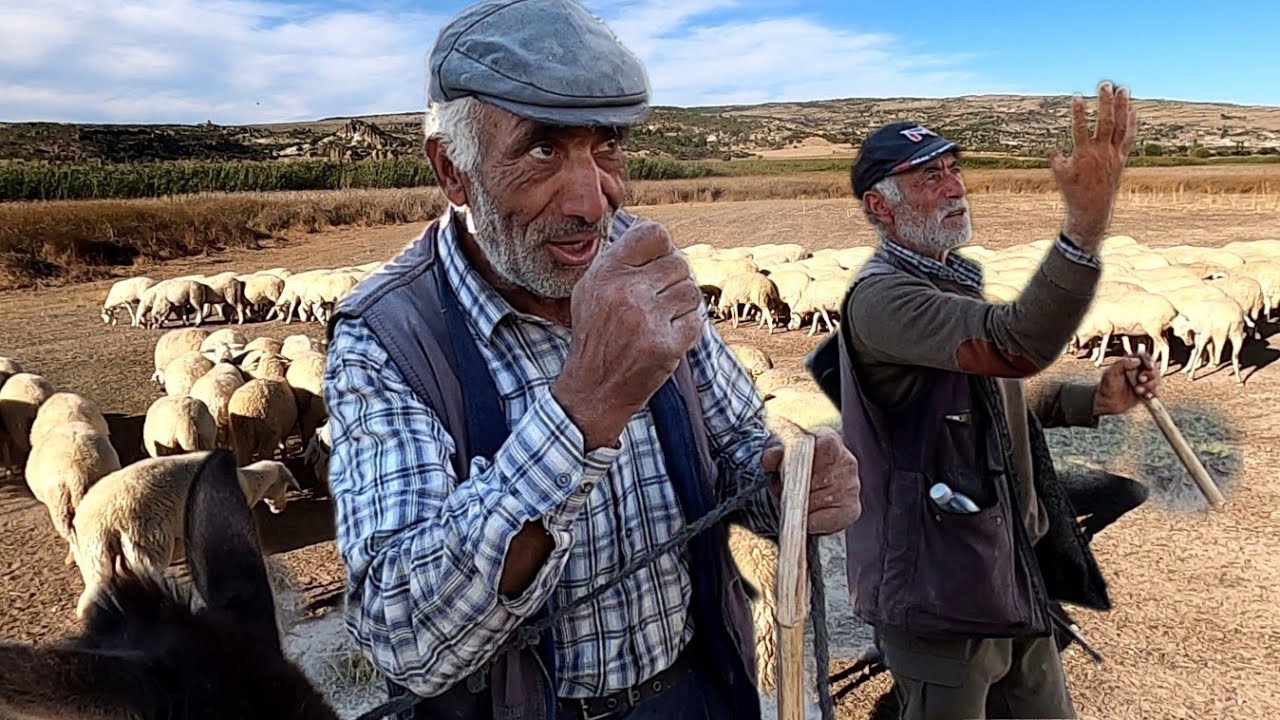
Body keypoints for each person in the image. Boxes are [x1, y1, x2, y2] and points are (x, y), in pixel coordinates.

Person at [321, 2, 862, 720]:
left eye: (606, 146)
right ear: (454, 171)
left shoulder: (640, 261)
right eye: (542, 150)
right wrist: (583, 414)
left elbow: (736, 450)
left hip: (696, 689)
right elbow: (405, 638)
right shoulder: (388, 337)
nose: (591, 200)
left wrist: (793, 484)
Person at [809, 83, 1154, 720]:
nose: (952, 185)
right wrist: (1085, 225)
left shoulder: (946, 280)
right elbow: (1015, 345)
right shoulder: (884, 300)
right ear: (878, 208)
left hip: (1006, 570)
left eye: (952, 169)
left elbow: (990, 402)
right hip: (940, 593)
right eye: (925, 177)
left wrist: (1090, 401)